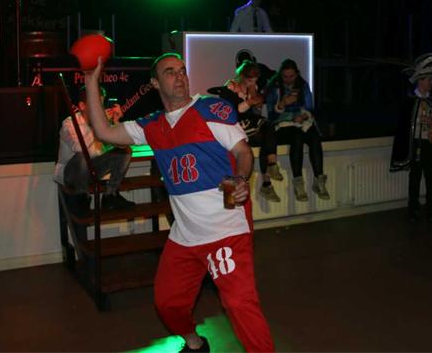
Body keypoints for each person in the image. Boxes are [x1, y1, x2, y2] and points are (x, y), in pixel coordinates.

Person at [83, 53, 275, 353]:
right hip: (185, 235)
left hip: (225, 229)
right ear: (155, 83)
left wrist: (240, 178)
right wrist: (91, 80)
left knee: (239, 304)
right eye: (170, 72)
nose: (180, 76)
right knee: (167, 304)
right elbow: (103, 131)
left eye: (182, 70)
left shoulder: (211, 109)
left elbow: (243, 152)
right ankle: (195, 344)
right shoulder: (152, 125)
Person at [390, 53, 432, 222]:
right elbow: (403, 126)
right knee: (415, 178)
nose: (431, 83)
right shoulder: (409, 101)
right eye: (428, 80)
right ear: (420, 81)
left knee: (431, 178)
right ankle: (413, 209)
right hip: (415, 145)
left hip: (430, 145)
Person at [53, 86, 135, 215]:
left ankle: (110, 195)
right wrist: (96, 127)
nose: (99, 109)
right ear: (82, 106)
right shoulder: (69, 124)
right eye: (96, 105)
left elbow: (120, 144)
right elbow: (80, 148)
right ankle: (81, 198)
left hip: (93, 169)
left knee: (124, 151)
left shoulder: (101, 124)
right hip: (71, 174)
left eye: (101, 105)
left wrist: (115, 122)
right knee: (81, 157)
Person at [265, 58, 328, 202]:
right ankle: (298, 183)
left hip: (302, 123)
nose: (288, 80)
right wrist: (282, 104)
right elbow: (271, 116)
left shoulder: (302, 85)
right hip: (283, 125)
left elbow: (310, 108)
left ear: (297, 74)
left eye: (291, 76)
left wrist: (303, 115)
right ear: (280, 75)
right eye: (285, 76)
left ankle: (319, 180)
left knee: (315, 137)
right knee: (297, 137)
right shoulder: (274, 87)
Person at [223, 61, 283, 202]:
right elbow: (236, 111)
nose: (253, 83)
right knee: (266, 135)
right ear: (242, 76)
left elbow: (256, 112)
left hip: (252, 123)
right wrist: (251, 101)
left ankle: (271, 167)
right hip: (237, 126)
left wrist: (256, 99)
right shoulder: (231, 87)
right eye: (250, 80)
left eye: (255, 80)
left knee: (268, 129)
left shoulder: (254, 88)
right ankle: (267, 180)